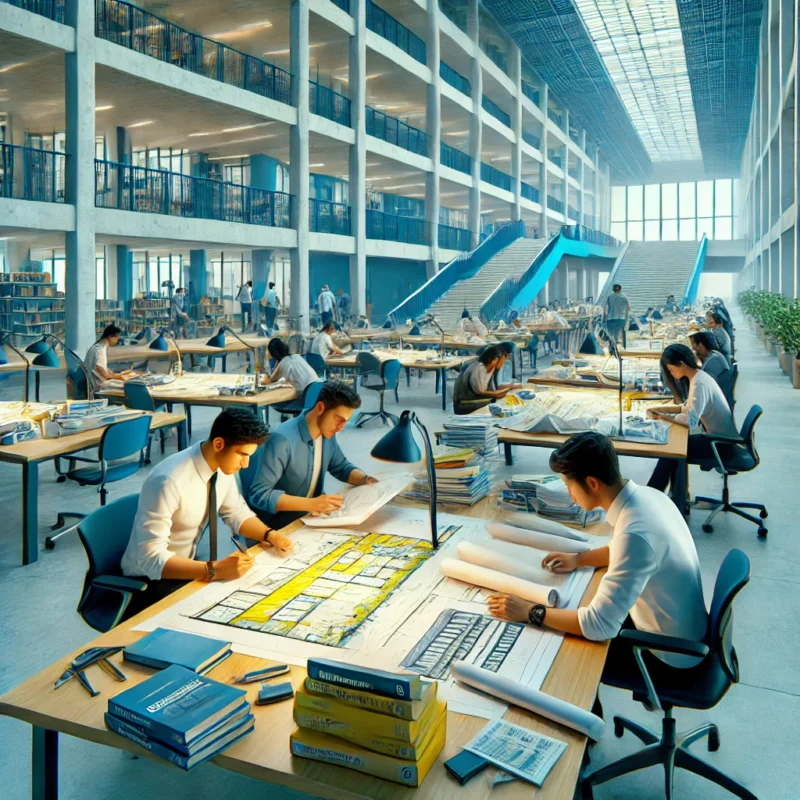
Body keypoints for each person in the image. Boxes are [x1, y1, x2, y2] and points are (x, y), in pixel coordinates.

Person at [486, 432, 708, 670]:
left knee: (569, 662)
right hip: (683, 626)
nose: (570, 496)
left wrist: (530, 611)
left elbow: (599, 626)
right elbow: (624, 551)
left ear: (592, 483)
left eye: (569, 487)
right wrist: (579, 559)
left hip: (669, 653)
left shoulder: (636, 534)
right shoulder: (648, 497)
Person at [120, 409, 294, 617]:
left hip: (190, 565)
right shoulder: (169, 481)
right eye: (243, 455)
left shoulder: (220, 464)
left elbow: (235, 512)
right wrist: (214, 570)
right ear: (219, 444)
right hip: (152, 581)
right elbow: (150, 559)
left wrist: (269, 534)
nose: (246, 464)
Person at [248, 381, 377, 529]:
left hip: (312, 517)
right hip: (279, 525)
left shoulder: (327, 433)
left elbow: (341, 467)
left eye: (345, 422)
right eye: (339, 420)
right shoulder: (282, 440)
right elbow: (259, 495)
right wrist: (311, 504)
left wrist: (365, 479)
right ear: (320, 408)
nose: (340, 428)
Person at [645, 343, 743, 492]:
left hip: (721, 444)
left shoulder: (699, 384)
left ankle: (655, 494)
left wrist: (661, 418)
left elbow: (690, 422)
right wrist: (658, 409)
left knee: (670, 451)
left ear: (681, 364)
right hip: (719, 439)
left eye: (671, 369)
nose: (670, 373)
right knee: (672, 449)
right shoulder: (699, 377)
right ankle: (671, 496)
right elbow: (686, 408)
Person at [452, 345, 516, 415]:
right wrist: (497, 394)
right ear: (492, 359)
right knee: (500, 407)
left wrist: (507, 389)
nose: (503, 362)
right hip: (465, 404)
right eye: (502, 359)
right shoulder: (479, 368)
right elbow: (480, 392)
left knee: (505, 403)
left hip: (475, 400)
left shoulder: (491, 369)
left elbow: (493, 389)